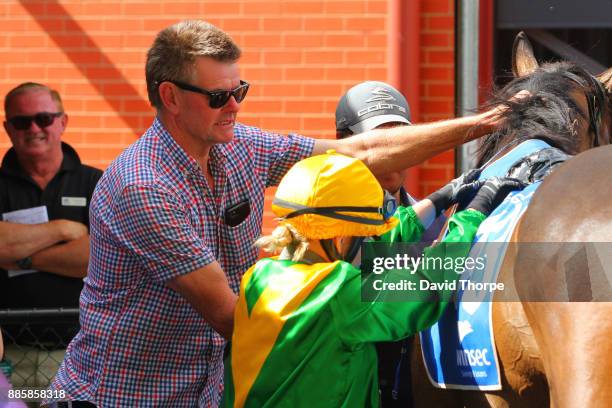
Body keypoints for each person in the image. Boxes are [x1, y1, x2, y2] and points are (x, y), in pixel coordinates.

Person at [50, 20, 505, 406]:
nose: (234, 107)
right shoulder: (143, 186)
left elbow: (361, 153)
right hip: (123, 396)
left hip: (209, 392)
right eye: (218, 97)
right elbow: (235, 318)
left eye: (239, 91)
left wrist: (490, 123)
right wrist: (458, 226)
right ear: (170, 96)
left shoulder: (242, 147)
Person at [222, 151, 523, 407]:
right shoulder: (339, 292)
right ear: (340, 238)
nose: (372, 243)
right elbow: (427, 285)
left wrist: (440, 198)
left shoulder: (259, 278)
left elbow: (374, 244)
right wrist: (472, 215)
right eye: (365, 235)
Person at [335, 80, 447, 405]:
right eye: (380, 141)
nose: (393, 154)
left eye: (401, 142)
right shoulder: (323, 228)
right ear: (345, 143)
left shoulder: (437, 224)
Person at [0, 83, 102, 388]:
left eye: (43, 118)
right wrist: (61, 230)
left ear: (62, 122)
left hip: (78, 352)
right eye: (21, 121)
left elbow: (97, 256)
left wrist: (20, 257)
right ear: (8, 128)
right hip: (8, 352)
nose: (34, 128)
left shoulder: (96, 182)